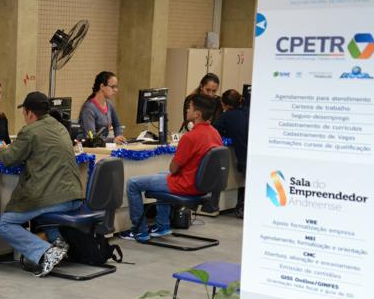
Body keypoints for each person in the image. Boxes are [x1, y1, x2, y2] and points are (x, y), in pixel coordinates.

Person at [0, 92, 83, 277]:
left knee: (2, 224)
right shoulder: (60, 127)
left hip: (51, 197)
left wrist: (0, 151)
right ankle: (57, 243)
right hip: (74, 194)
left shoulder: (30, 131)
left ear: (29, 113)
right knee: (44, 214)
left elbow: (9, 159)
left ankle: (45, 252)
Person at [120, 94, 222, 243]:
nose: (187, 109)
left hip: (186, 185)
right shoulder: (215, 133)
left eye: (190, 107)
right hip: (201, 186)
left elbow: (173, 169)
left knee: (133, 183)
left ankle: (139, 230)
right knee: (161, 175)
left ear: (197, 114)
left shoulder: (190, 137)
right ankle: (162, 226)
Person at [213, 89, 249, 218]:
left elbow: (213, 131)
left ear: (226, 105)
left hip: (244, 157)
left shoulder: (227, 116)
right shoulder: (248, 111)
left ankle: (244, 208)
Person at [78, 71, 125, 145]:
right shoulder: (88, 108)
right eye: (113, 87)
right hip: (89, 149)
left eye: (116, 87)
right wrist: (112, 140)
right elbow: (91, 137)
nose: (116, 90)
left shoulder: (109, 104)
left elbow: (118, 125)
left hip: (103, 147)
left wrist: (119, 136)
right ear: (102, 86)